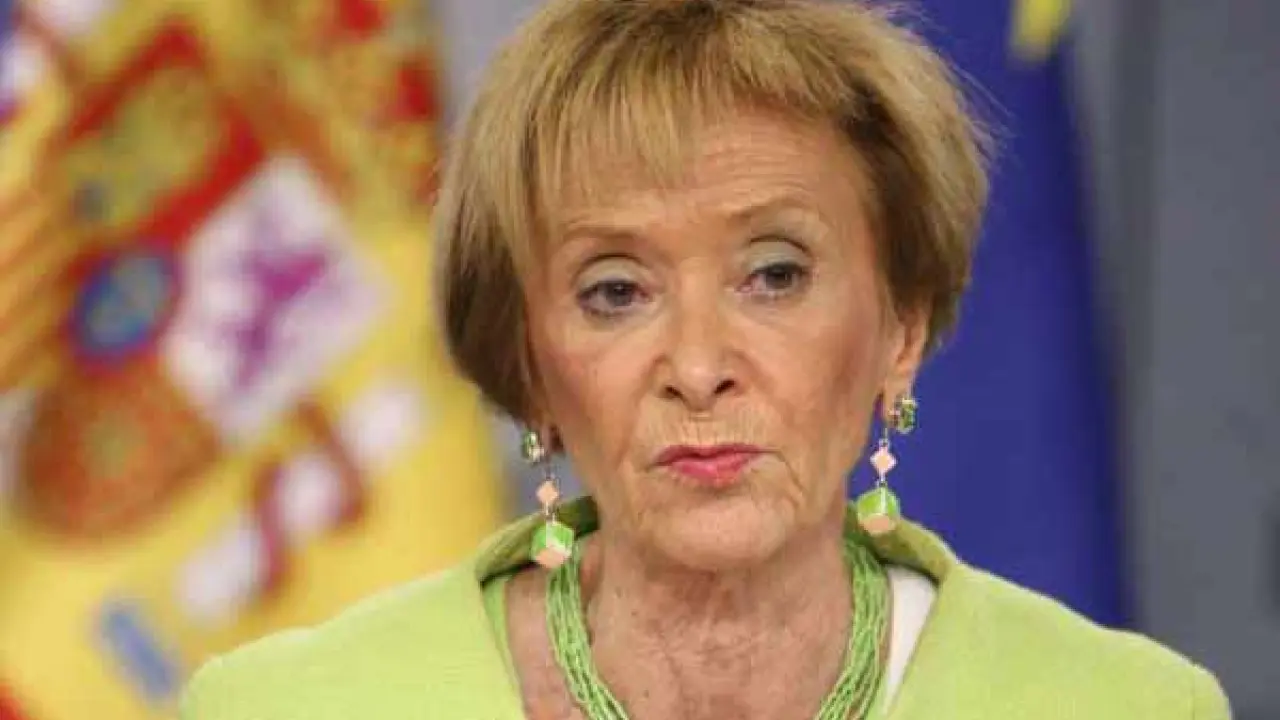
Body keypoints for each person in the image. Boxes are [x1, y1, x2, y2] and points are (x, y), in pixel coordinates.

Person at [180, 1, 1231, 718]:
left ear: (899, 330)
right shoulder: (284, 710)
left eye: (772, 275)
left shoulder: (1125, 707)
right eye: (615, 291)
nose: (696, 365)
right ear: (527, 363)